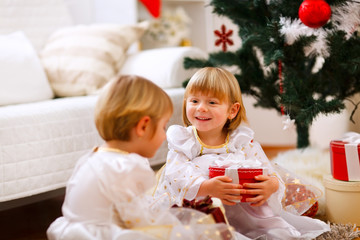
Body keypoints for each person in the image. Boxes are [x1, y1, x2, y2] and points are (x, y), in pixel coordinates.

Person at [47, 75, 237, 240]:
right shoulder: (125, 167)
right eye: (163, 127)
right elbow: (139, 220)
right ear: (143, 127)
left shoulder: (93, 156)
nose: (164, 136)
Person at [154, 67, 330, 240]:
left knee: (276, 230)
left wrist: (271, 185)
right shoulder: (184, 140)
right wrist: (207, 187)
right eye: (194, 101)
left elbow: (265, 167)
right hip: (201, 205)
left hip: (242, 205)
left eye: (212, 102)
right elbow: (176, 173)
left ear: (232, 110)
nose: (201, 108)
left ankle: (254, 226)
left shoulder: (241, 140)